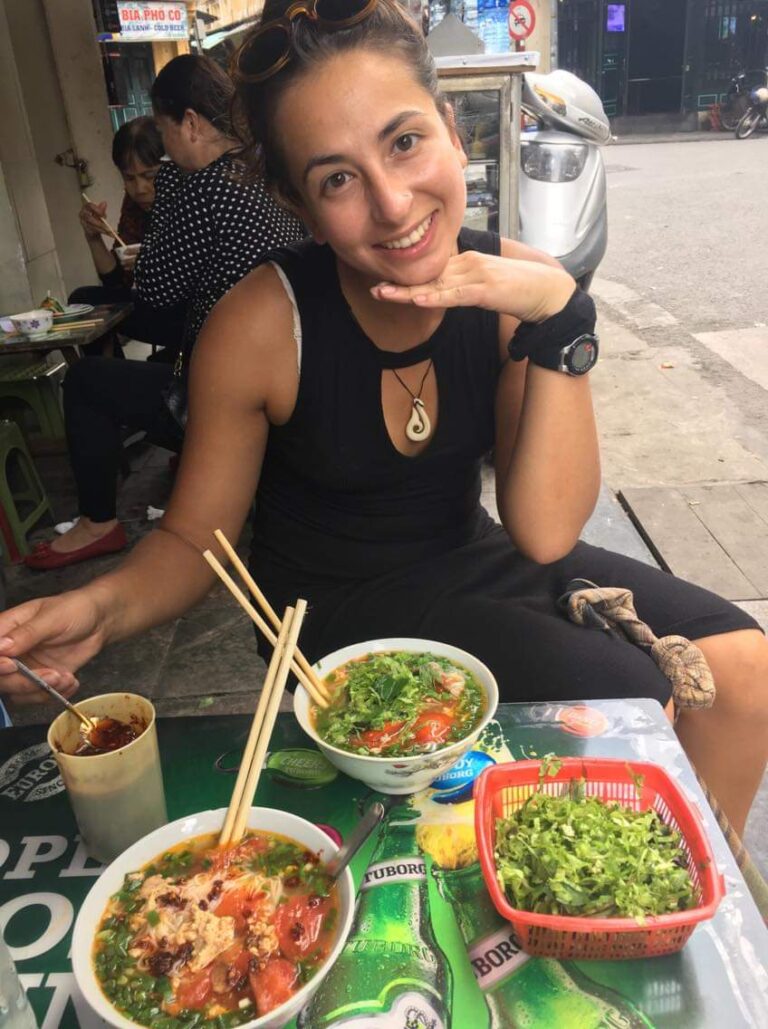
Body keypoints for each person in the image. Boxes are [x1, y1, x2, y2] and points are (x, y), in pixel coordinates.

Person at [0, 1, 765, 838]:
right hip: (335, 616)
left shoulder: (518, 286)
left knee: (746, 672)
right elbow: (196, 544)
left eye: (404, 142)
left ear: (449, 127)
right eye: (338, 178)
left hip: (473, 558)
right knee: (629, 697)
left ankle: (691, 915)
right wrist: (99, 610)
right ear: (299, 202)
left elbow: (544, 533)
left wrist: (562, 321)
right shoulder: (261, 324)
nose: (395, 204)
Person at [24, 53, 303, 570]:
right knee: (111, 316)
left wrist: (171, 193)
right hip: (290, 369)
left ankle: (97, 523)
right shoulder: (262, 169)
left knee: (86, 381)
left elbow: (153, 293)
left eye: (165, 132)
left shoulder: (200, 187)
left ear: (190, 124)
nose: (165, 151)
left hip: (230, 395)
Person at [72, 116, 186, 358]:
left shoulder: (189, 198)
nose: (140, 188)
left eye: (151, 176)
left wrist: (157, 262)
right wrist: (93, 237)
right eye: (129, 178)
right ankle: (110, 375)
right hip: (157, 309)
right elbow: (116, 281)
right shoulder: (135, 204)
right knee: (84, 301)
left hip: (194, 313)